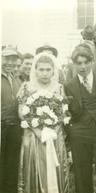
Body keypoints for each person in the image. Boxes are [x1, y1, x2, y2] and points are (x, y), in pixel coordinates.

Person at [17, 53, 71, 193]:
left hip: (54, 134)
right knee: (34, 166)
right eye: (41, 69)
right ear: (35, 70)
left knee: (54, 165)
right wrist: (37, 130)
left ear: (53, 70)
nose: (45, 73)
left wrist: (52, 130)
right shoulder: (27, 87)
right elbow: (22, 111)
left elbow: (63, 111)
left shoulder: (58, 87)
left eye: (48, 70)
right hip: (33, 135)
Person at [64, 47, 96, 193]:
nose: (83, 66)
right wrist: (72, 131)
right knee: (81, 171)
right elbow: (66, 111)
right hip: (79, 132)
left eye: (86, 62)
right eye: (79, 63)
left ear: (92, 62)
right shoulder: (69, 85)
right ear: (74, 64)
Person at [0, 47, 22, 193]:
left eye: (13, 59)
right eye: (6, 59)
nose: (10, 62)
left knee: (12, 163)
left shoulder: (17, 80)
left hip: (15, 128)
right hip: (2, 126)